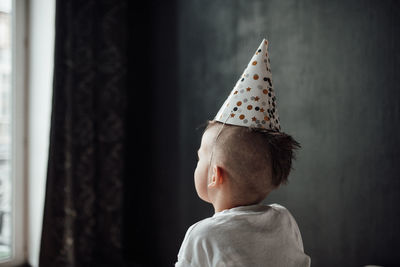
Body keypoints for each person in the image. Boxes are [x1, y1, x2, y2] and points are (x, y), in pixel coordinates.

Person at [175, 39, 311, 266]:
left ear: (215, 176)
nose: (196, 163)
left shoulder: (202, 236)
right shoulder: (284, 218)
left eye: (200, 158)